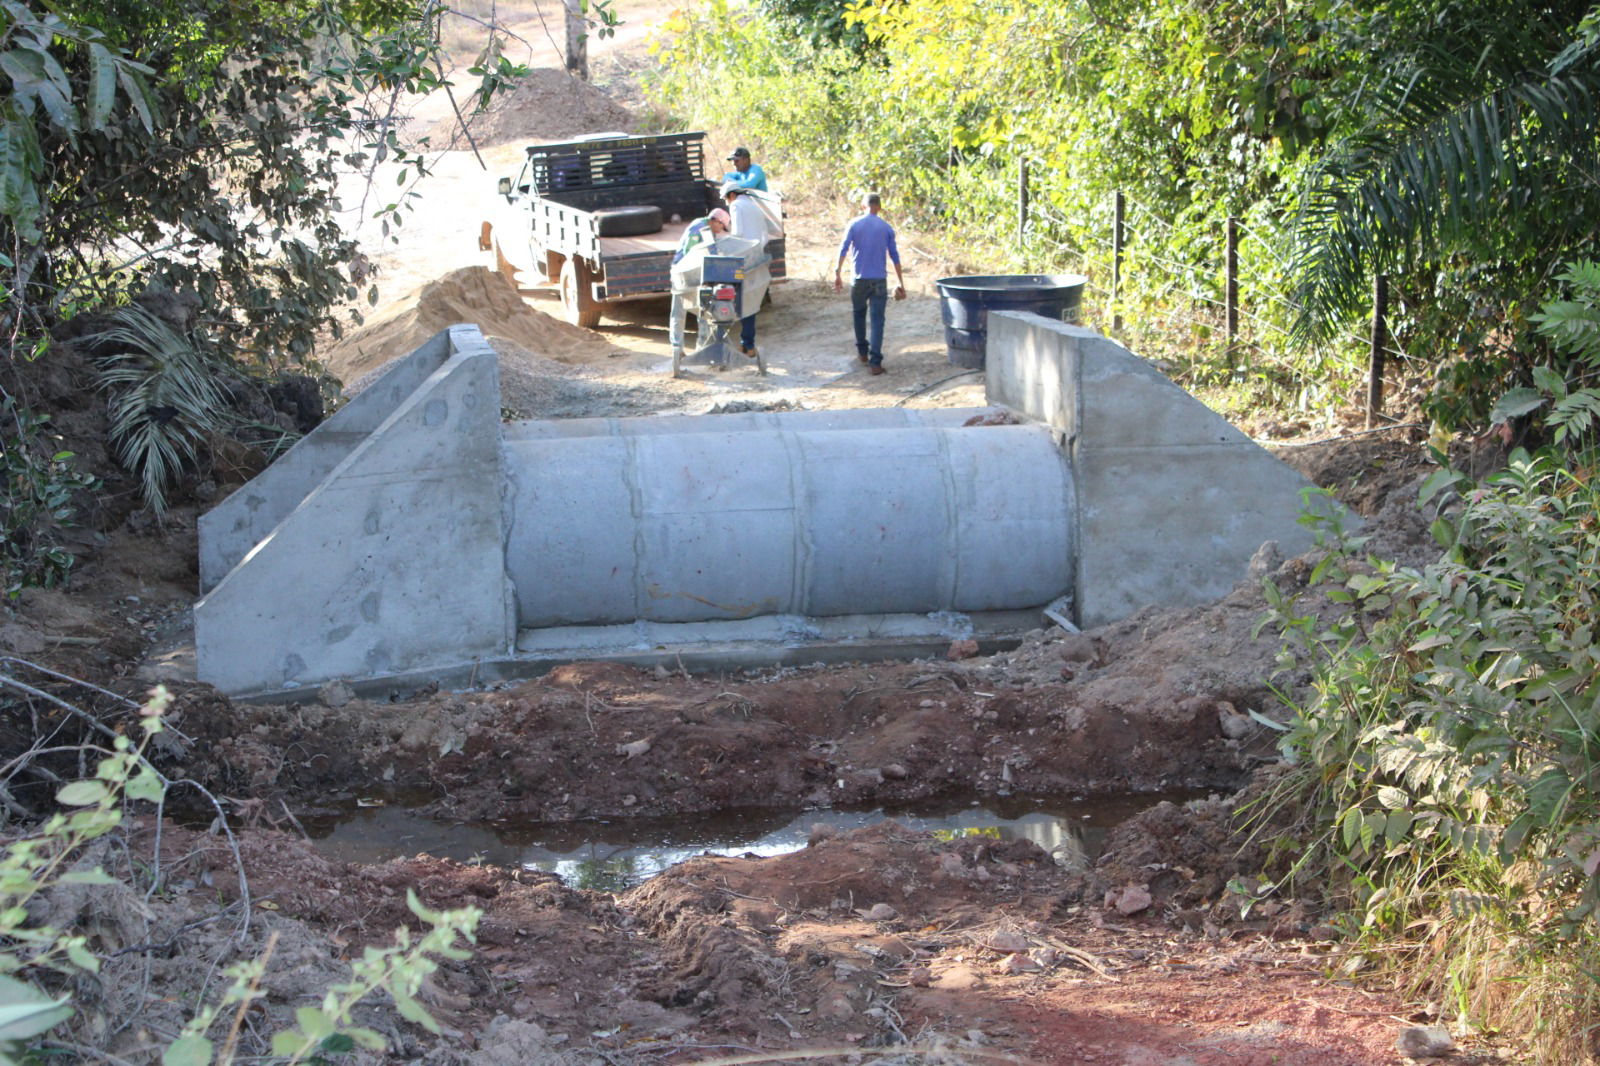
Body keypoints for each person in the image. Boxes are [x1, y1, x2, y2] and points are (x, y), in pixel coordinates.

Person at [833, 191, 906, 375]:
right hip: (879, 280)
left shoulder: (854, 224)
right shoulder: (886, 228)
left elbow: (843, 249)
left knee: (858, 314)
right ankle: (875, 362)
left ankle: (862, 352)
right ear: (879, 207)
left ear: (863, 206)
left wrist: (838, 272)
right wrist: (900, 282)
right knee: (877, 321)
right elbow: (894, 256)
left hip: (858, 279)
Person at [669, 208, 731, 357]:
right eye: (721, 226)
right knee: (679, 310)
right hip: (683, 272)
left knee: (703, 310)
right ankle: (677, 348)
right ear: (715, 221)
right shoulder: (699, 228)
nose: (720, 230)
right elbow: (690, 252)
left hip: (699, 273)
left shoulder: (708, 230)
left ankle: (702, 346)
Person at [722, 182, 772, 359]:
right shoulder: (754, 205)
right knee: (750, 303)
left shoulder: (736, 206)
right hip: (757, 258)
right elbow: (765, 234)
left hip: (742, 260)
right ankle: (747, 344)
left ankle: (744, 344)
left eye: (726, 199)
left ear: (732, 195)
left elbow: (738, 234)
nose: (727, 203)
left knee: (734, 300)